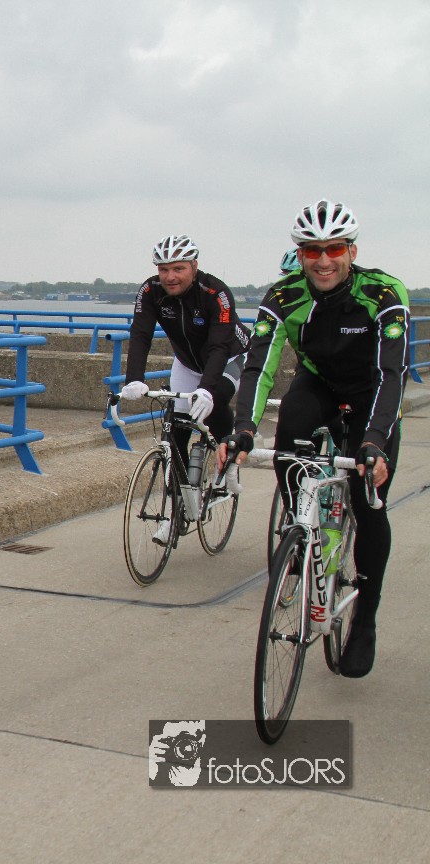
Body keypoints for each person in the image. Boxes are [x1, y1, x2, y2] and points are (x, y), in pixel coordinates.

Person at [220, 199, 408, 678]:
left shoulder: (383, 293)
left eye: (334, 249)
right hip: (319, 382)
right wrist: (244, 429)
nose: (323, 260)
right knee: (291, 430)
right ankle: (302, 530)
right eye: (311, 251)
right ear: (300, 256)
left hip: (370, 392)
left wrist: (375, 441)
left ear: (351, 251)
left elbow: (392, 374)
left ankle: (364, 620)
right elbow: (259, 367)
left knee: (369, 503)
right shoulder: (283, 297)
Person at [118, 234, 250, 541]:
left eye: (178, 268)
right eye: (164, 269)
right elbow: (140, 334)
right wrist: (134, 379)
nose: (170, 276)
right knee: (175, 429)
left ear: (194, 266)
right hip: (187, 363)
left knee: (215, 401)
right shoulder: (150, 291)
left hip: (229, 357)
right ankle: (176, 512)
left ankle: (227, 458)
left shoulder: (216, 293)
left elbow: (218, 347)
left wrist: (207, 389)